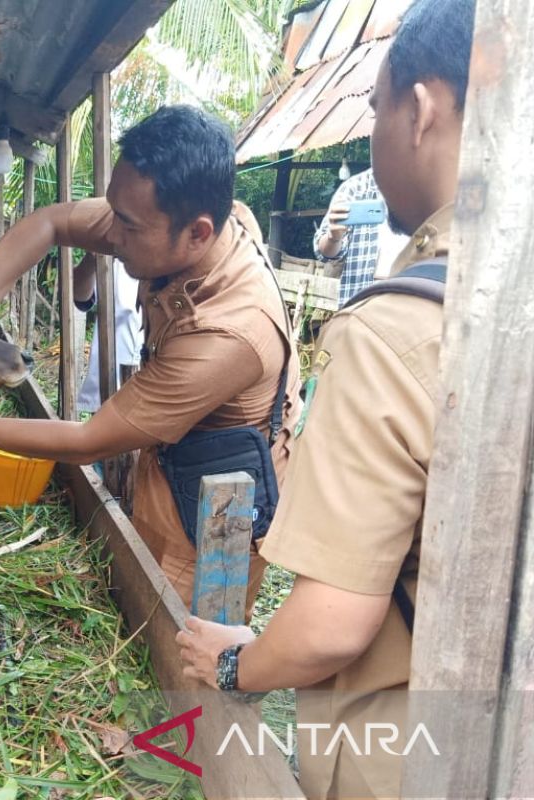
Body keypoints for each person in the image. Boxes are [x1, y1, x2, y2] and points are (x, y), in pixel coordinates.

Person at [175, 0, 473, 796]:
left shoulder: (394, 333)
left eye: (376, 109)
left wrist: (235, 662)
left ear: (422, 110)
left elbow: (334, 623)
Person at [0, 105, 301, 614]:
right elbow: (51, 222)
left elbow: (87, 441)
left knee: (184, 643)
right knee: (137, 587)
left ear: (197, 233)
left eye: (127, 227)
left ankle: (200, 697)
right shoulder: (186, 220)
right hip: (170, 454)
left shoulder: (228, 335)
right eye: (114, 213)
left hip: (217, 509)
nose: (111, 236)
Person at [314, 167, 411, 306]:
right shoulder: (355, 187)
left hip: (410, 297)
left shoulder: (429, 185)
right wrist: (333, 237)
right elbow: (323, 254)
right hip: (361, 300)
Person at [72, 254, 142, 415]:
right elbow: (80, 298)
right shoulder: (114, 257)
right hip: (108, 383)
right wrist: (91, 259)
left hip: (158, 388)